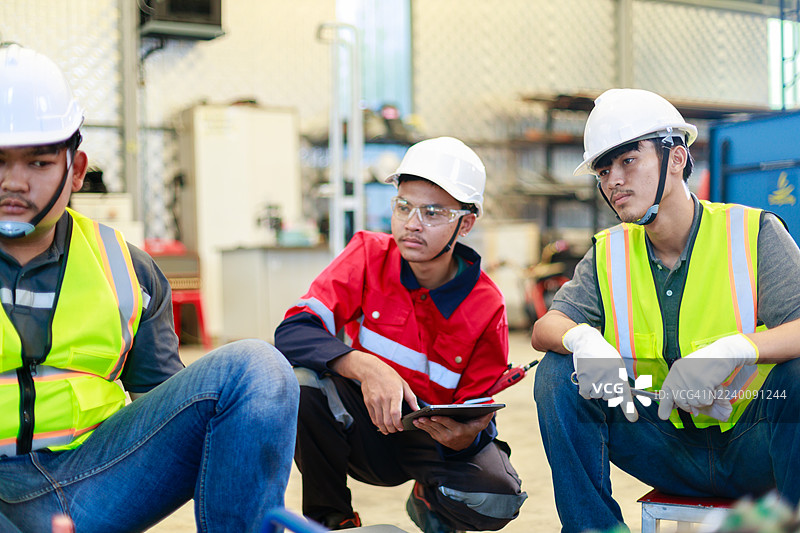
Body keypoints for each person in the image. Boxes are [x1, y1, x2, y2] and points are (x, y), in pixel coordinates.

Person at [0, 43, 299, 532]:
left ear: (75, 171)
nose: (14, 182)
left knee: (259, 370)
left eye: (37, 163)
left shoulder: (126, 269)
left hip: (98, 480)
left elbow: (163, 408)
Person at [531, 88, 800, 532]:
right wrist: (582, 338)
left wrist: (735, 349)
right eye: (603, 169)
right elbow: (546, 326)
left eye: (628, 161)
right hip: (661, 444)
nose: (613, 180)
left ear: (676, 158)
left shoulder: (752, 234)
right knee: (558, 373)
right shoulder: (608, 252)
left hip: (756, 447)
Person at [275, 137, 528, 532]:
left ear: (466, 223)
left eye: (432, 212)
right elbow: (293, 332)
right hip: (364, 431)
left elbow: (476, 412)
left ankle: (431, 500)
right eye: (404, 206)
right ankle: (331, 518)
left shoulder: (486, 305)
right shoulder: (367, 255)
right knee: (301, 383)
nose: (412, 223)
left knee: (496, 499)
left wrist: (466, 439)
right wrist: (364, 366)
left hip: (434, 445)